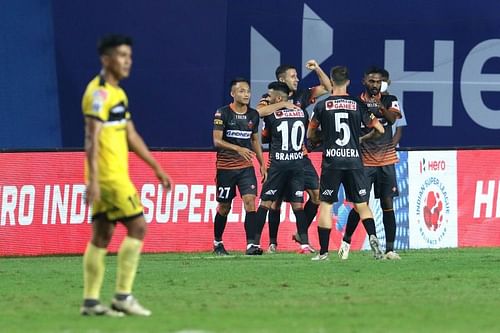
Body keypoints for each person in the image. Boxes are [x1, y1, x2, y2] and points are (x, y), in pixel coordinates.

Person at [81, 34, 172, 316]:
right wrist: (94, 180)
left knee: (103, 234)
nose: (127, 61)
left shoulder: (118, 93)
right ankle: (122, 295)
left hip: (114, 174)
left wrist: (155, 166)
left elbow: (130, 134)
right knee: (139, 227)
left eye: (129, 56)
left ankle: (91, 302)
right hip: (109, 177)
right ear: (106, 59)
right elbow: (91, 138)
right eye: (122, 56)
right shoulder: (98, 94)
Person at [307, 65, 385, 261]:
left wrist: (319, 138)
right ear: (348, 82)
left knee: (325, 204)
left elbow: (310, 133)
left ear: (332, 82)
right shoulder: (358, 105)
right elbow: (380, 129)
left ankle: (324, 253)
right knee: (361, 204)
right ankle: (374, 239)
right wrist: (363, 138)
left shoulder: (322, 106)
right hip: (354, 159)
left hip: (332, 160)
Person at [256, 60, 331, 253]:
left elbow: (328, 87)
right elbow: (258, 112)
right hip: (279, 156)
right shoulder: (269, 97)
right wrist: (283, 104)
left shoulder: (302, 95)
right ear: (282, 79)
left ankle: (301, 233)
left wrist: (317, 69)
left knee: (316, 195)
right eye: (293, 76)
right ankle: (272, 243)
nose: (297, 79)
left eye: (297, 76)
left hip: (301, 157)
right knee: (275, 201)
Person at [339, 66, 402, 260]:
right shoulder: (356, 103)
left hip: (387, 161)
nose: (375, 85)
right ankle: (346, 243)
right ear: (364, 81)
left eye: (378, 82)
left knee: (387, 204)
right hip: (363, 162)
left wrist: (380, 105)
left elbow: (392, 120)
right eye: (371, 81)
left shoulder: (390, 100)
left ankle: (390, 250)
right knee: (360, 205)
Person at [212, 78, 267, 256]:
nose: (246, 94)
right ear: (233, 93)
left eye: (248, 91)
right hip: (226, 168)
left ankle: (251, 245)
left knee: (250, 202)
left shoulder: (253, 115)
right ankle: (218, 242)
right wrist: (237, 148)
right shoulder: (222, 113)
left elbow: (254, 140)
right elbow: (217, 141)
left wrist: (262, 163)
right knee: (224, 207)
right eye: (242, 91)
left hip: (246, 167)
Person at [253, 81, 309, 252]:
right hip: (297, 164)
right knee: (298, 206)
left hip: (277, 165)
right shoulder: (302, 113)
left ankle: (255, 243)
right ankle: (305, 245)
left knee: (266, 203)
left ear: (277, 98)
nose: (266, 99)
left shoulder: (271, 116)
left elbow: (266, 136)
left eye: (269, 96)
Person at [379, 69, 407, 147]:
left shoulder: (396, 102)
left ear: (388, 82)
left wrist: (389, 150)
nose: (381, 84)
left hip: (391, 153)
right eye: (378, 81)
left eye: (383, 81)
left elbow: (399, 131)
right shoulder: (368, 102)